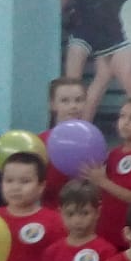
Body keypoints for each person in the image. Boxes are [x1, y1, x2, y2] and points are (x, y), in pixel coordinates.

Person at [86, 97, 131, 251]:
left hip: (129, 234)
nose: (125, 122)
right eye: (122, 116)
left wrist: (103, 182)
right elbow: (105, 191)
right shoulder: (114, 154)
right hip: (105, 229)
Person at [40, 77, 87, 210]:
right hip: (49, 212)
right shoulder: (40, 142)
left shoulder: (93, 141)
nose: (73, 106)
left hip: (84, 213)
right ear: (52, 104)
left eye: (78, 100)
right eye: (65, 101)